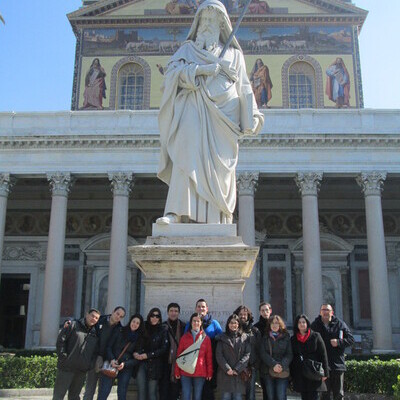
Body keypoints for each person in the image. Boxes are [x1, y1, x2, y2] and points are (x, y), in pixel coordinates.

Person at [156, 0, 263, 225]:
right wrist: (201, 70)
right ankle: (175, 212)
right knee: (185, 150)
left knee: (220, 169)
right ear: (197, 23)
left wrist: (252, 114)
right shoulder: (187, 50)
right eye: (203, 20)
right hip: (192, 109)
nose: (206, 25)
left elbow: (244, 86)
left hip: (224, 120)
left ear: (221, 25)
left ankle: (218, 217)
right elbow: (170, 77)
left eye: (212, 21)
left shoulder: (234, 55)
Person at [53, 309, 100, 400]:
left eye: (96, 318)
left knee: (74, 397)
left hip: (81, 371)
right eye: (92, 316)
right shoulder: (73, 325)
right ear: (87, 315)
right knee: (58, 396)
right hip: (66, 368)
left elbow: (95, 353)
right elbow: (61, 341)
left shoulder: (95, 334)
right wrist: (64, 358)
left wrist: (89, 365)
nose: (93, 319)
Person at [311, 304, 354, 400]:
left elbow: (351, 339)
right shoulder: (315, 325)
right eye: (323, 310)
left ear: (332, 312)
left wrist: (338, 342)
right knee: (324, 394)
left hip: (337, 364)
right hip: (322, 366)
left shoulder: (340, 324)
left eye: (327, 310)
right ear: (320, 312)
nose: (325, 312)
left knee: (338, 394)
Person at [97, 314, 145, 400]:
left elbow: (137, 359)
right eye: (134, 321)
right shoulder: (119, 330)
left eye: (138, 323)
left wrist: (125, 364)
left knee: (122, 393)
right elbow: (109, 347)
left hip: (125, 367)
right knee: (104, 391)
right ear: (130, 321)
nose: (135, 324)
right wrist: (112, 359)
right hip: (112, 364)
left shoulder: (139, 339)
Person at [83, 306, 126, 400]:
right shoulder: (99, 320)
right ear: (113, 311)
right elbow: (85, 323)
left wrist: (111, 359)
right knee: (89, 390)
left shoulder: (120, 329)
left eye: (121, 316)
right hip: (94, 358)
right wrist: (69, 321)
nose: (118, 317)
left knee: (103, 393)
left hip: (108, 362)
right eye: (117, 313)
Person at [185, 299, 222, 400]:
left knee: (208, 389)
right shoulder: (190, 323)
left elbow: (221, 338)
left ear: (207, 309)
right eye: (199, 306)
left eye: (203, 307)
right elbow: (185, 339)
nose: (201, 309)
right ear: (195, 308)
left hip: (210, 359)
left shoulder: (214, 323)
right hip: (194, 361)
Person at [175, 313, 213, 400]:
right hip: (185, 372)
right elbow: (179, 355)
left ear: (201, 323)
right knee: (186, 396)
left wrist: (209, 372)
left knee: (197, 397)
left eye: (198, 321)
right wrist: (177, 371)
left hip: (200, 372)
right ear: (191, 322)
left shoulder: (206, 338)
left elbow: (208, 357)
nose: (196, 323)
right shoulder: (184, 337)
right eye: (194, 321)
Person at [290, 314, 329, 400]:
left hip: (314, 372)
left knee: (314, 397)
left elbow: (323, 354)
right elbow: (292, 357)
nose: (302, 324)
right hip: (300, 373)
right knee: (304, 397)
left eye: (303, 322)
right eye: (299, 322)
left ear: (307, 323)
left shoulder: (316, 336)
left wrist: (325, 373)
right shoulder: (293, 339)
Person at [134, 308, 169, 400]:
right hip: (141, 363)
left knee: (152, 392)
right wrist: (136, 353)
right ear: (149, 316)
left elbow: (163, 349)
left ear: (160, 318)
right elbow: (135, 342)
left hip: (155, 365)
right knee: (141, 392)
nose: (154, 318)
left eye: (157, 316)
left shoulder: (163, 330)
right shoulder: (143, 327)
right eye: (152, 315)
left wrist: (148, 355)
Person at [216, 314, 251, 400]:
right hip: (225, 374)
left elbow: (247, 354)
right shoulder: (222, 338)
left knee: (237, 397)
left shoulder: (244, 337)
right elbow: (219, 355)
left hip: (238, 375)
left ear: (238, 324)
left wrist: (237, 369)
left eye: (235, 323)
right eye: (231, 323)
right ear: (228, 324)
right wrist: (227, 369)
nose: (233, 325)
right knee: (226, 397)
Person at [259, 315, 292, 400]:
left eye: (277, 323)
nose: (274, 325)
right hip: (268, 371)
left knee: (281, 396)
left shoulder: (286, 337)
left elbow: (289, 354)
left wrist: (281, 365)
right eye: (272, 323)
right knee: (271, 397)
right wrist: (273, 364)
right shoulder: (265, 337)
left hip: (282, 371)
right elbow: (263, 353)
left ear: (280, 324)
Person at [160, 302, 186, 400]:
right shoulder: (162, 326)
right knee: (164, 389)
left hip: (179, 363)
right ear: (167, 312)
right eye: (171, 311)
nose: (173, 313)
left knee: (175, 390)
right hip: (165, 362)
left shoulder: (183, 326)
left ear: (179, 313)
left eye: (175, 311)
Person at [233, 305, 260, 400]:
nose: (243, 316)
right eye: (240, 314)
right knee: (237, 395)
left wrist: (255, 365)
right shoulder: (234, 329)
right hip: (236, 366)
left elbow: (259, 349)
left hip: (251, 367)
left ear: (248, 316)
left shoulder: (255, 331)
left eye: (245, 314)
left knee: (250, 394)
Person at [254, 302, 272, 400]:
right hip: (263, 365)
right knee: (266, 392)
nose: (265, 312)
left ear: (270, 311)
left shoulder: (277, 324)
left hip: (277, 363)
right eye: (262, 310)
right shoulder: (256, 327)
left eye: (266, 310)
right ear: (260, 312)